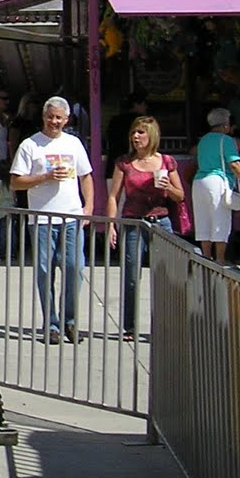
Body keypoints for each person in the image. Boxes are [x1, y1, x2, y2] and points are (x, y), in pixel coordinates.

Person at [8, 96, 94, 344]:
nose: (54, 121)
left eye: (59, 117)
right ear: (43, 117)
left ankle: (70, 321)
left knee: (74, 268)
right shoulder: (30, 145)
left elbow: (86, 177)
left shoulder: (74, 144)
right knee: (45, 271)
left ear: (67, 119)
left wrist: (88, 207)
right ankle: (52, 323)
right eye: (50, 116)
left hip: (71, 216)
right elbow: (16, 181)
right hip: (42, 219)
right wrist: (44, 177)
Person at [105, 116, 185, 338]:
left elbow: (181, 196)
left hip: (161, 222)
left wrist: (168, 186)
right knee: (131, 275)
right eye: (133, 132)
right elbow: (114, 195)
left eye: (141, 132)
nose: (136, 137)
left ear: (152, 136)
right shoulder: (125, 163)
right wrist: (111, 225)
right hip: (134, 222)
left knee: (165, 276)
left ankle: (165, 323)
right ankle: (130, 326)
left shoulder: (166, 162)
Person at [190, 107, 240, 264]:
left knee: (203, 220)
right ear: (225, 125)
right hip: (217, 181)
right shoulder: (227, 140)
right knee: (220, 220)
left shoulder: (203, 140)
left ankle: (205, 257)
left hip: (199, 182)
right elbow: (235, 164)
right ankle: (220, 259)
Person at [104, 91, 150, 179]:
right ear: (136, 104)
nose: (145, 107)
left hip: (113, 166)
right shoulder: (141, 122)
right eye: (144, 104)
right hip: (133, 166)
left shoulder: (115, 121)